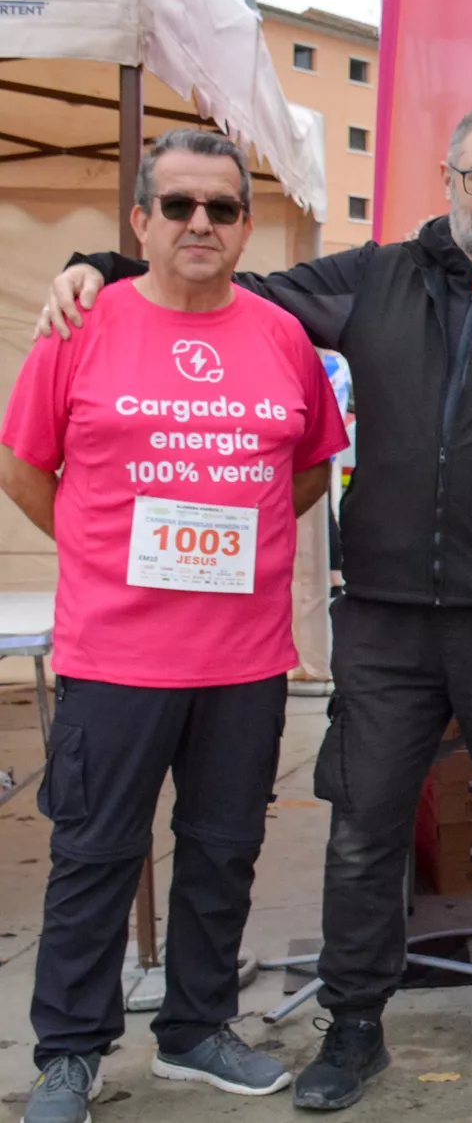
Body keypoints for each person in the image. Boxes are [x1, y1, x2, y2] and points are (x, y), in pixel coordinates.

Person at [39, 101, 472, 1111]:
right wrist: (100, 266)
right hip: (385, 619)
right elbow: (227, 282)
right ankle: (355, 1023)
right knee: (364, 827)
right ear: (448, 179)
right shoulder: (377, 277)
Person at [1, 130, 349, 1123]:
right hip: (116, 653)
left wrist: (241, 541)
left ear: (243, 226)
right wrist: (100, 547)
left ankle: (196, 1031)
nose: (202, 222)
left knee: (222, 850)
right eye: (181, 205)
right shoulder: (83, 323)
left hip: (243, 658)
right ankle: (69, 1052)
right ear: (141, 220)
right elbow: (23, 463)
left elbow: (311, 466)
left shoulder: (281, 336)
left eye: (223, 208)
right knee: (95, 854)